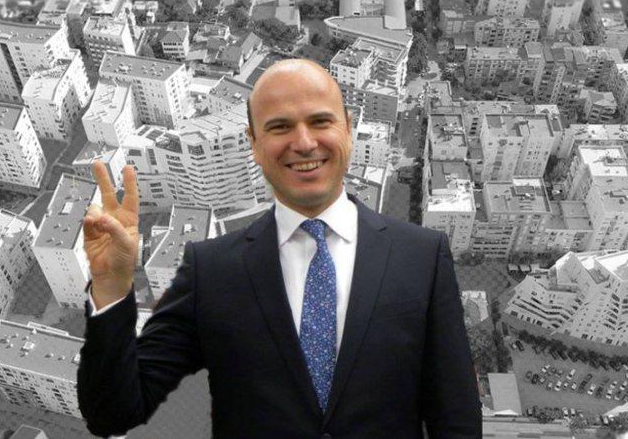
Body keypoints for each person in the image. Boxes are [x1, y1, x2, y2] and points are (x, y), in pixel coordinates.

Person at [77, 59, 482, 438]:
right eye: (279, 127)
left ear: (348, 128)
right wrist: (111, 287)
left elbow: (456, 419)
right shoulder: (211, 272)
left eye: (320, 121)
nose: (303, 143)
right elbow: (113, 413)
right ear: (254, 143)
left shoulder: (422, 258)